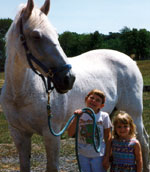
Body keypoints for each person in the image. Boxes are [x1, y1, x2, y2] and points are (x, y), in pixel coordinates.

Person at [68, 89, 112, 172]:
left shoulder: (104, 116)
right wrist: (76, 118)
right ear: (86, 99)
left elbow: (108, 137)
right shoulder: (79, 115)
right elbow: (70, 133)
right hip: (83, 154)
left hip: (99, 155)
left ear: (101, 106)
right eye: (92, 98)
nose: (94, 101)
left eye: (98, 100)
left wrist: (107, 156)